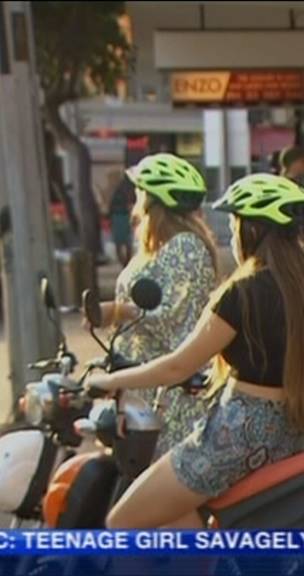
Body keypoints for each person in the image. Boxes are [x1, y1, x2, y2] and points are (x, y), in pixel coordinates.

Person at [90, 173, 304, 530]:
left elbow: (177, 367)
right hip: (292, 433)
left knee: (122, 520)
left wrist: (110, 380)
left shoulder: (243, 293)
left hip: (235, 437)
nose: (233, 237)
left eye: (235, 225)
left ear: (252, 231)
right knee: (183, 516)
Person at [82, 153, 220, 460]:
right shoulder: (155, 248)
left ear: (153, 201)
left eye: (140, 192)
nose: (135, 201)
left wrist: (119, 311)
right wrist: (112, 313)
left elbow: (172, 319)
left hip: (170, 399)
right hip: (141, 391)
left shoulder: (186, 247)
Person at [109, 172, 136, 267]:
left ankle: (125, 262)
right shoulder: (129, 188)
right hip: (124, 215)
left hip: (118, 215)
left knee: (120, 242)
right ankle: (126, 262)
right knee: (127, 241)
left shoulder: (118, 189)